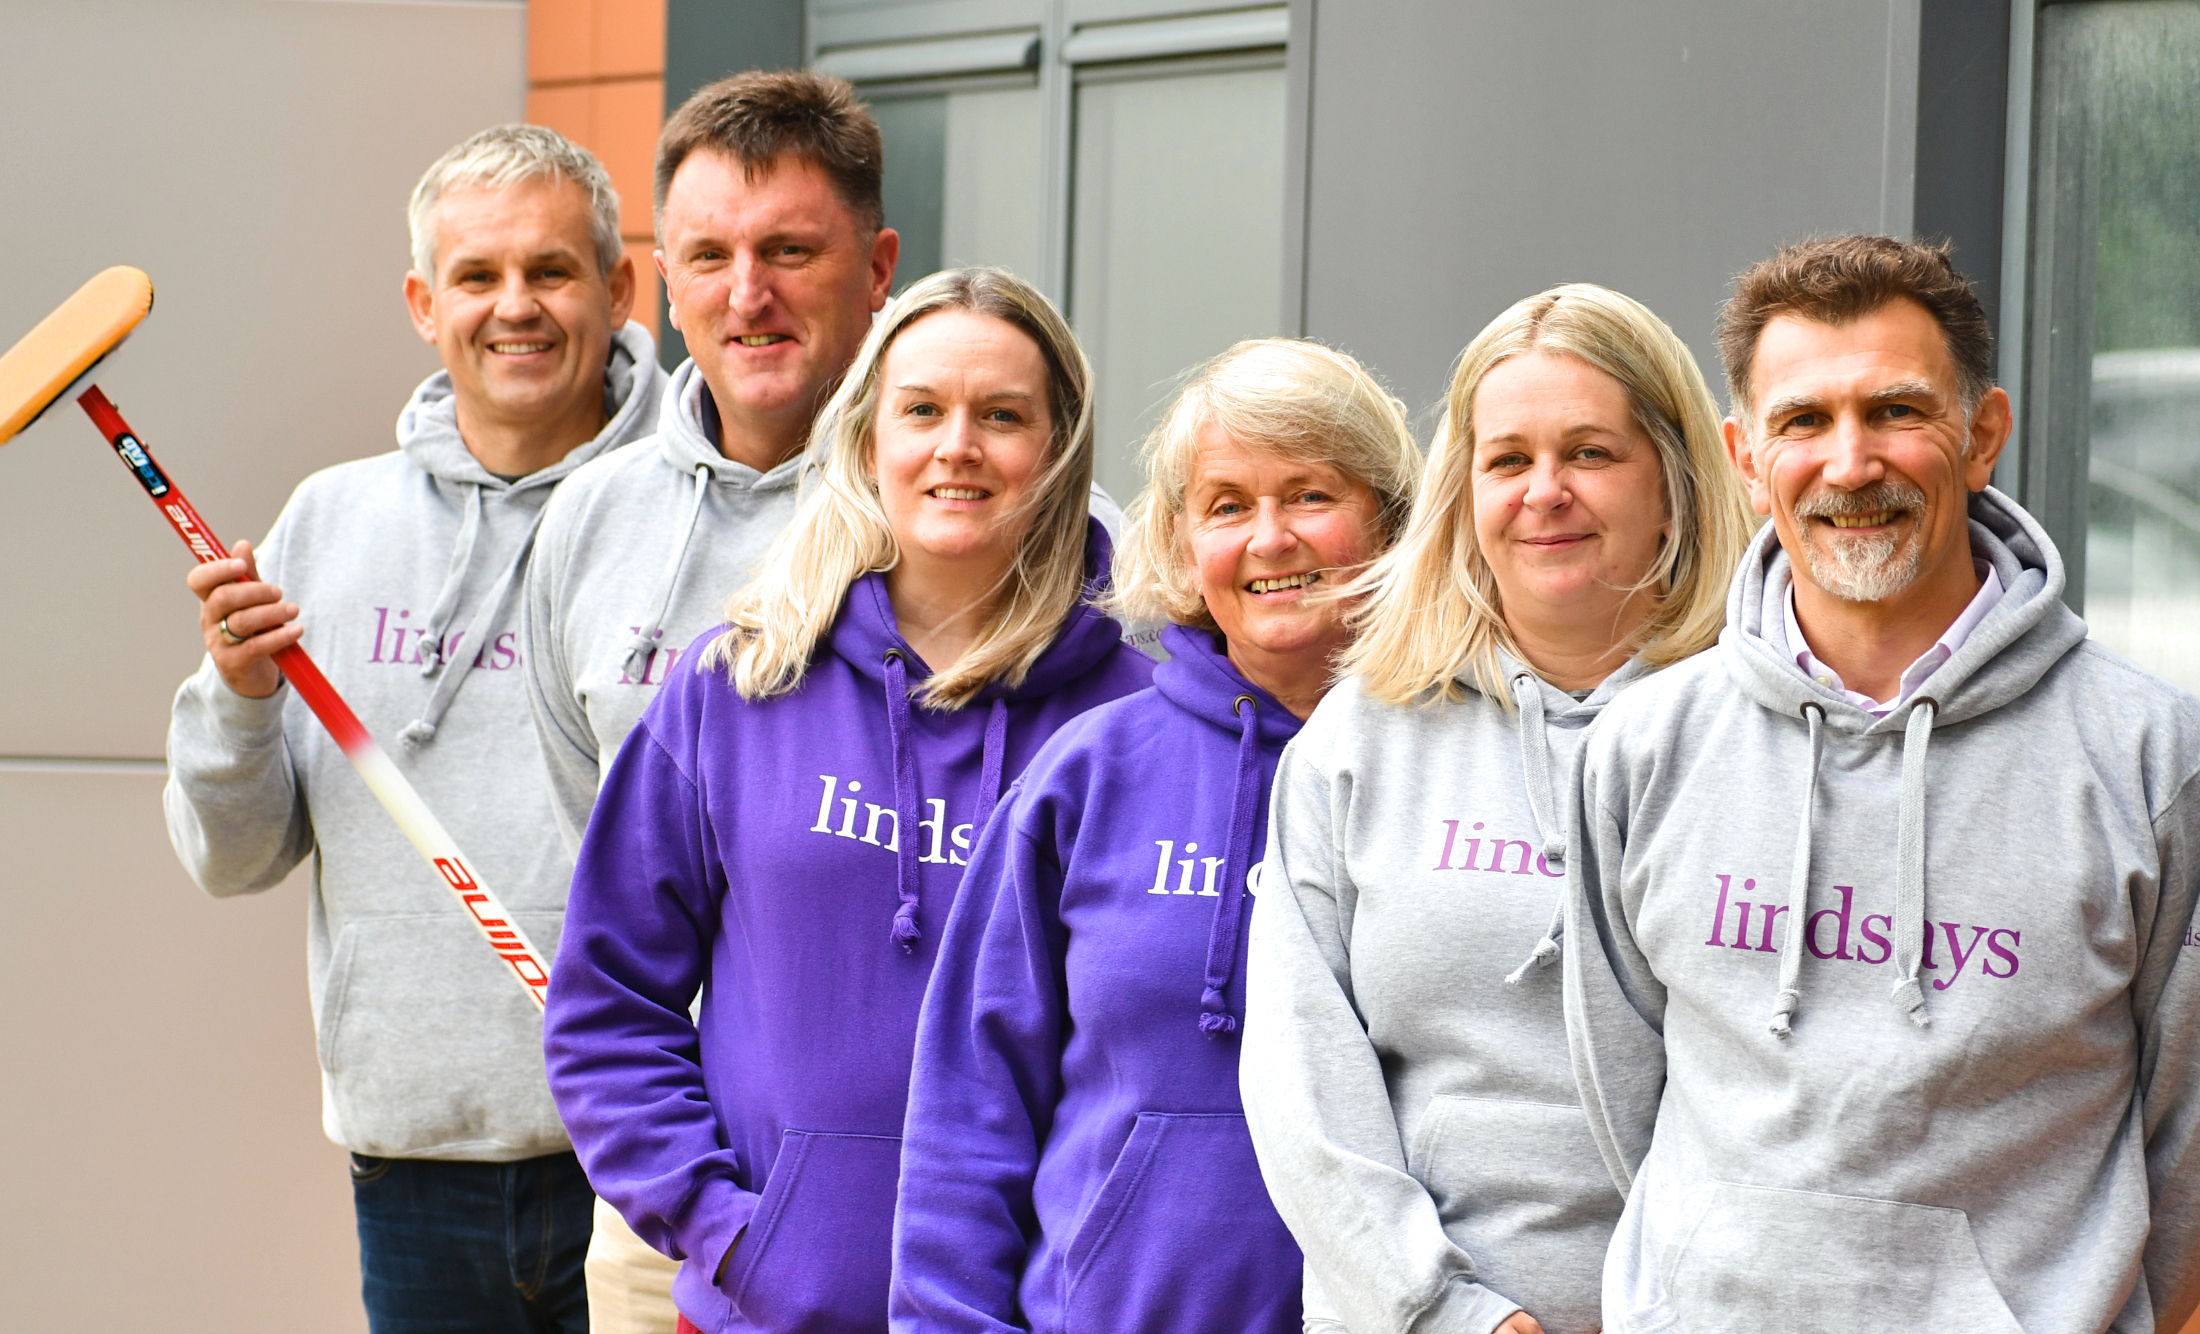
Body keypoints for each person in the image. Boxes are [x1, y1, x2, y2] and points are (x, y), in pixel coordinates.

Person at [1563, 235, 2200, 1332]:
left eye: (1896, 411)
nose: (1850, 464)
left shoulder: (2147, 755)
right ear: (1746, 458)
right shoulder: (1642, 744)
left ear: (1981, 435)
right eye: (1804, 420)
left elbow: (2182, 1134)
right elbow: (1620, 1093)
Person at [542, 266, 1155, 1334]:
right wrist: (733, 1227)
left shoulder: (1136, 721)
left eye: (1001, 415)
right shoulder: (740, 682)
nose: (956, 445)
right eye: (922, 409)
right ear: (869, 437)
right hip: (771, 1305)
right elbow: (607, 1007)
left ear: (1058, 452)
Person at [162, 124, 661, 1333]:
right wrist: (238, 691)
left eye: (551, 270)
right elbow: (232, 855)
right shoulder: (328, 524)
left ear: (618, 286)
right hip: (415, 1157)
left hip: (642, 1148)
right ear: (422, 303)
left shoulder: (682, 506)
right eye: (478, 277)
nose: (516, 307)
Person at [1241, 285, 1755, 1334]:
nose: (1546, 491)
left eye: (1591, 453)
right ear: (1462, 492)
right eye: (1508, 459)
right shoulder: (1358, 740)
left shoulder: (1758, 736)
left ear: (1674, 481)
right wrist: (1448, 1311)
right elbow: (1302, 1082)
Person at [890, 339, 1423, 1333]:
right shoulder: (1088, 774)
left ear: (1389, 521)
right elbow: (971, 1106)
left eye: (1310, 494)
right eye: (1226, 505)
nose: (1269, 538)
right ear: (1181, 542)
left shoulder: (1450, 770)